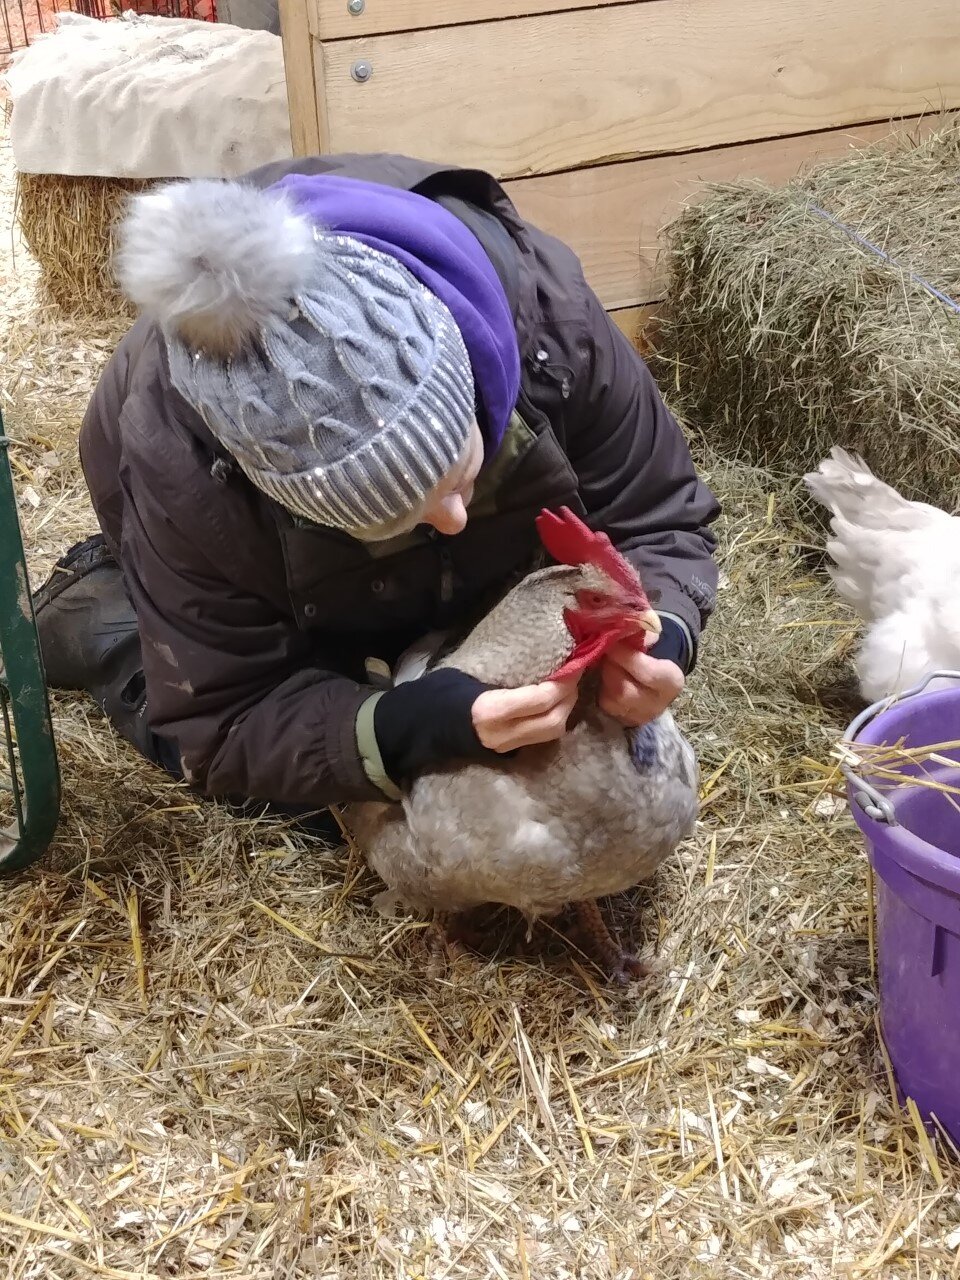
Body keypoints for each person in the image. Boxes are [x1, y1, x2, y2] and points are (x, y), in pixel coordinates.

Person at [34, 153, 720, 820]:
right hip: (232, 551)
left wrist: (662, 634)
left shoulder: (550, 320)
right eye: (385, 521)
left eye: (459, 472)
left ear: (474, 378)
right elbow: (224, 721)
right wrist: (397, 731)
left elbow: (657, 515)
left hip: (363, 524)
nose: (452, 518)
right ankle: (101, 620)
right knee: (299, 801)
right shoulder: (182, 476)